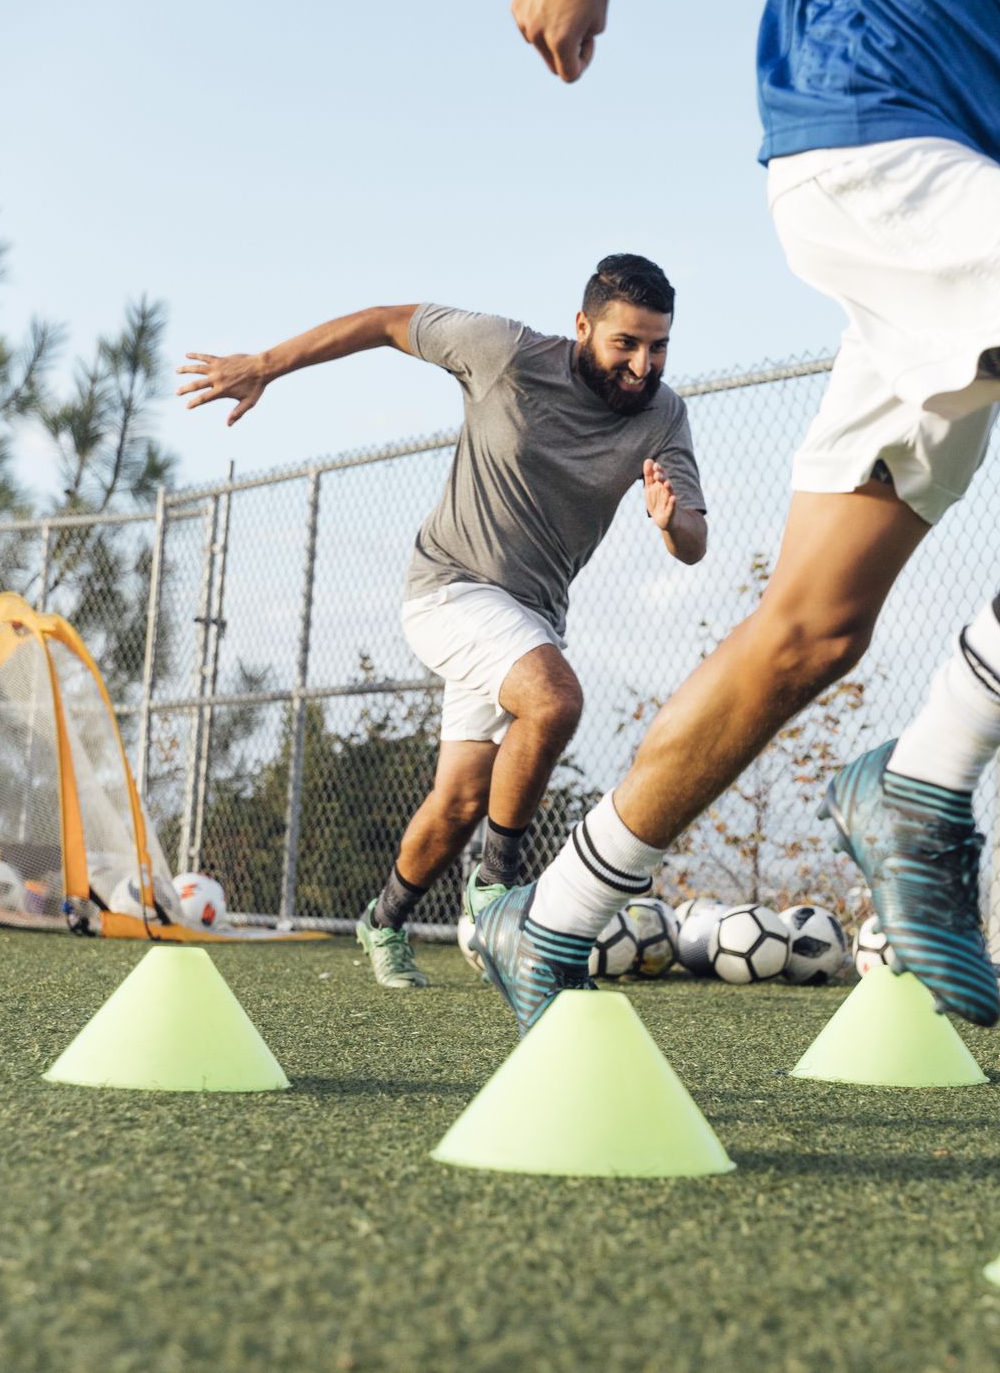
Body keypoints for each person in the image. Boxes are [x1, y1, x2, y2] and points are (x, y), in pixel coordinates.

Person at [477, 0, 1000, 1032]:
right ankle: (926, 778)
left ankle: (551, 914)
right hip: (879, 116)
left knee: (810, 630)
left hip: (993, 196)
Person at [176, 256, 709, 988]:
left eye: (658, 348)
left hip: (530, 617)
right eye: (626, 345)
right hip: (449, 588)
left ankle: (383, 920)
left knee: (460, 798)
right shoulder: (507, 352)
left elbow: (694, 545)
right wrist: (266, 364)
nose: (643, 365)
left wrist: (672, 521)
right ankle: (497, 894)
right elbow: (388, 323)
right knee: (554, 700)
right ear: (583, 326)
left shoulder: (663, 413)